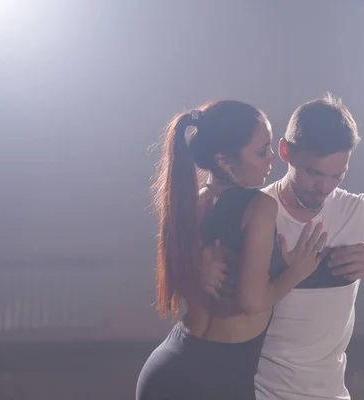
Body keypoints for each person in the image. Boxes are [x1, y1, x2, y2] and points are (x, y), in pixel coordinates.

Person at [202, 93, 364, 399]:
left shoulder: (358, 212)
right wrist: (200, 273)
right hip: (257, 392)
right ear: (285, 151)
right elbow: (209, 307)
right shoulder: (255, 211)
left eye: (337, 175)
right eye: (314, 173)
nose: (325, 188)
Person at [136, 100, 327, 400]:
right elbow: (252, 302)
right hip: (217, 379)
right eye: (262, 152)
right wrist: (295, 273)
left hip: (168, 366)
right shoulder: (261, 206)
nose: (272, 160)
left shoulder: (193, 200)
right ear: (224, 161)